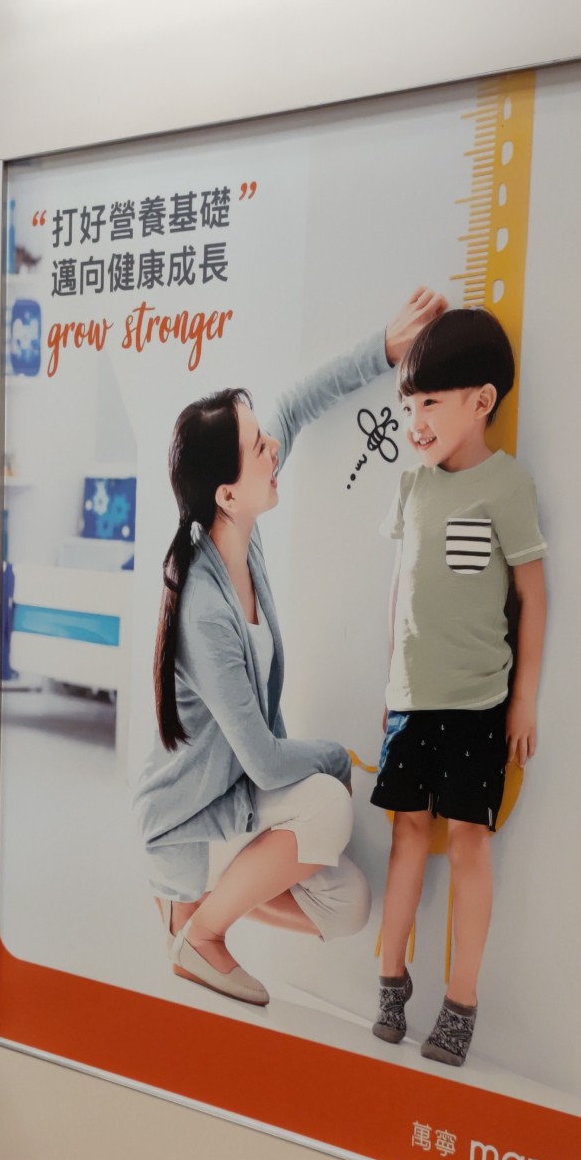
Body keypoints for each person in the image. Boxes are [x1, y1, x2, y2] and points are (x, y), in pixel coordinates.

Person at [134, 289, 446, 1007]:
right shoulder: (205, 608)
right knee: (329, 804)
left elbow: (295, 406)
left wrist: (386, 348)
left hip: (235, 800)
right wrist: (335, 758)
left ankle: (200, 906)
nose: (272, 449)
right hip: (193, 816)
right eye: (259, 449)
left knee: (349, 904)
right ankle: (200, 938)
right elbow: (267, 762)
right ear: (227, 494)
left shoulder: (240, 536)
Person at [370, 307, 548, 1068]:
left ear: (481, 401)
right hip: (410, 703)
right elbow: (400, 593)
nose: (415, 421)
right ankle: (390, 977)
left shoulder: (507, 486)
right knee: (407, 835)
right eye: (409, 405)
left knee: (469, 842)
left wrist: (524, 698)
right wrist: (389, 684)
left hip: (478, 707)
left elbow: (532, 596)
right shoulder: (411, 487)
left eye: (431, 404)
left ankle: (462, 1002)